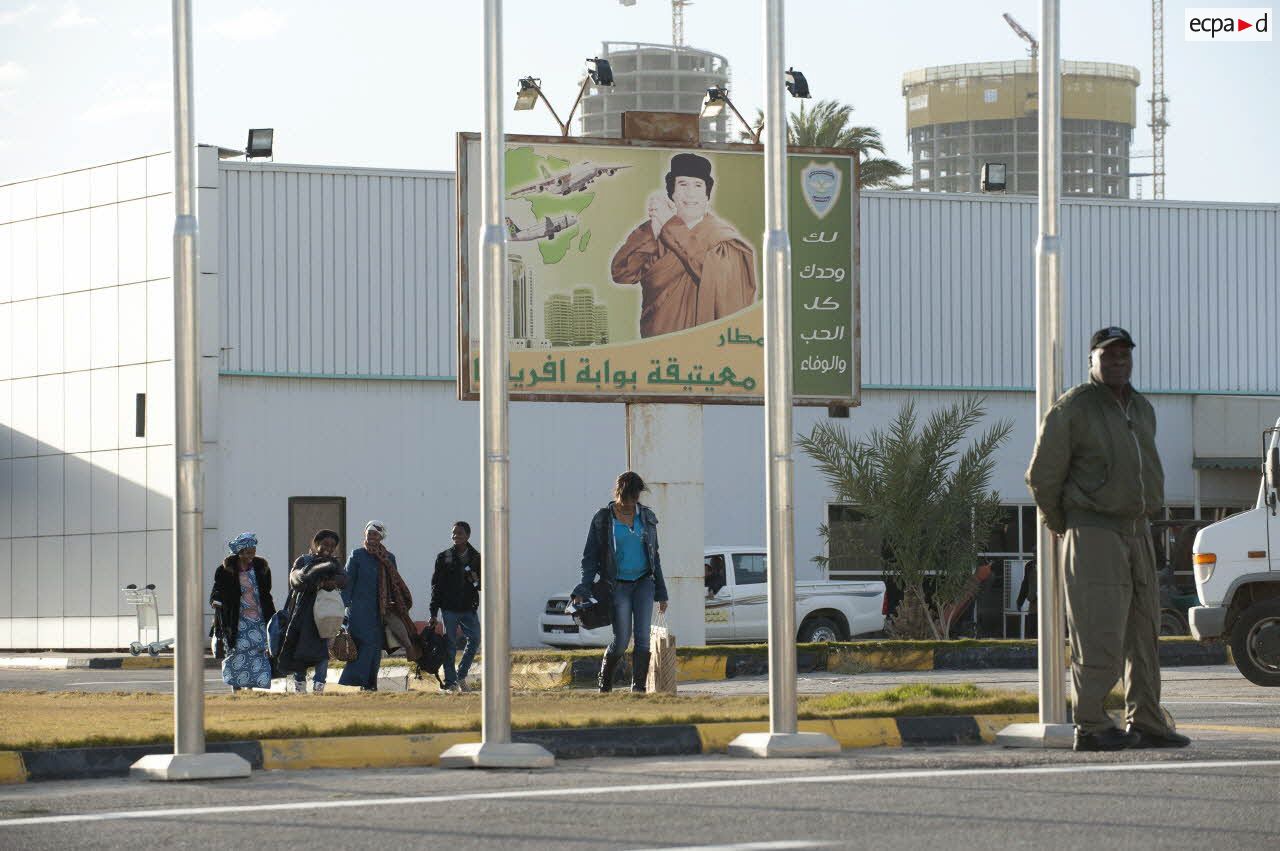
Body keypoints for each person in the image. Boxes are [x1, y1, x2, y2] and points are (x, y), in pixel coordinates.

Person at [1027, 326, 1190, 752]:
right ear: (1092, 361)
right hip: (1094, 531)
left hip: (1138, 531)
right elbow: (1042, 475)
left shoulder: (1141, 407)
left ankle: (1148, 721)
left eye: (1124, 354)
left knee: (1144, 631)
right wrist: (1064, 521)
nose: (1118, 361)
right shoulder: (1073, 409)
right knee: (1099, 631)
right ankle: (1093, 723)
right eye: (1108, 355)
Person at [610, 152, 756, 338]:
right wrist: (654, 232)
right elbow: (622, 273)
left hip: (705, 345)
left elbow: (727, 288)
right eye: (683, 184)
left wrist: (672, 229)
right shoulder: (655, 229)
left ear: (706, 194)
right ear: (672, 191)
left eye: (697, 185)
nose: (690, 193)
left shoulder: (722, 239)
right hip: (658, 344)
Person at [573, 471, 669, 693]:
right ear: (619, 494)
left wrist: (661, 593)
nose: (631, 504)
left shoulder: (646, 517)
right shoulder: (603, 519)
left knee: (643, 637)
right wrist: (584, 587)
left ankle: (638, 689)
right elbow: (590, 557)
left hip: (644, 583)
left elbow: (655, 557)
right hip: (618, 586)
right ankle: (604, 683)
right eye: (627, 498)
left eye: (635, 498)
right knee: (623, 639)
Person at [339, 521, 413, 691]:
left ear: (381, 537)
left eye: (375, 534)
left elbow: (394, 583)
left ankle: (370, 683)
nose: (371, 537)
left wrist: (398, 606)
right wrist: (342, 607)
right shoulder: (356, 555)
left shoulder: (389, 558)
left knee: (375, 647)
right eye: (369, 534)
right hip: (358, 610)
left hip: (381, 610)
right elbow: (347, 583)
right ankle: (361, 681)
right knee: (364, 644)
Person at [279, 529, 347, 694]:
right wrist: (314, 579)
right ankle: (299, 685)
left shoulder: (335, 564)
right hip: (303, 614)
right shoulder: (304, 560)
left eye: (332, 545)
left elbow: (344, 580)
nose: (329, 548)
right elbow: (296, 581)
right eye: (325, 544)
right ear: (316, 544)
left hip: (324, 615)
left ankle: (319, 687)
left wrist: (330, 582)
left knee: (322, 652)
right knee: (299, 651)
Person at [210, 532, 276, 692]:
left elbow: (267, 593)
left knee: (258, 653)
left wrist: (272, 616)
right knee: (236, 653)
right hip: (236, 619)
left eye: (253, 551)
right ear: (239, 552)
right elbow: (217, 590)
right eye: (247, 552)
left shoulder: (262, 568)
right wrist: (216, 600)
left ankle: (252, 687)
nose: (251, 555)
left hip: (259, 619)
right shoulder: (225, 569)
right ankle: (236, 687)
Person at [428, 521, 482, 694]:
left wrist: (475, 579)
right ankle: (450, 682)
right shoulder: (443, 557)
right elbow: (436, 586)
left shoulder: (477, 557)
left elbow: (481, 585)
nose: (455, 536)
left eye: (459, 533)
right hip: (449, 609)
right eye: (453, 533)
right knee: (450, 645)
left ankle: (461, 674)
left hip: (468, 608)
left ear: (467, 536)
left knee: (474, 639)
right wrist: (433, 612)